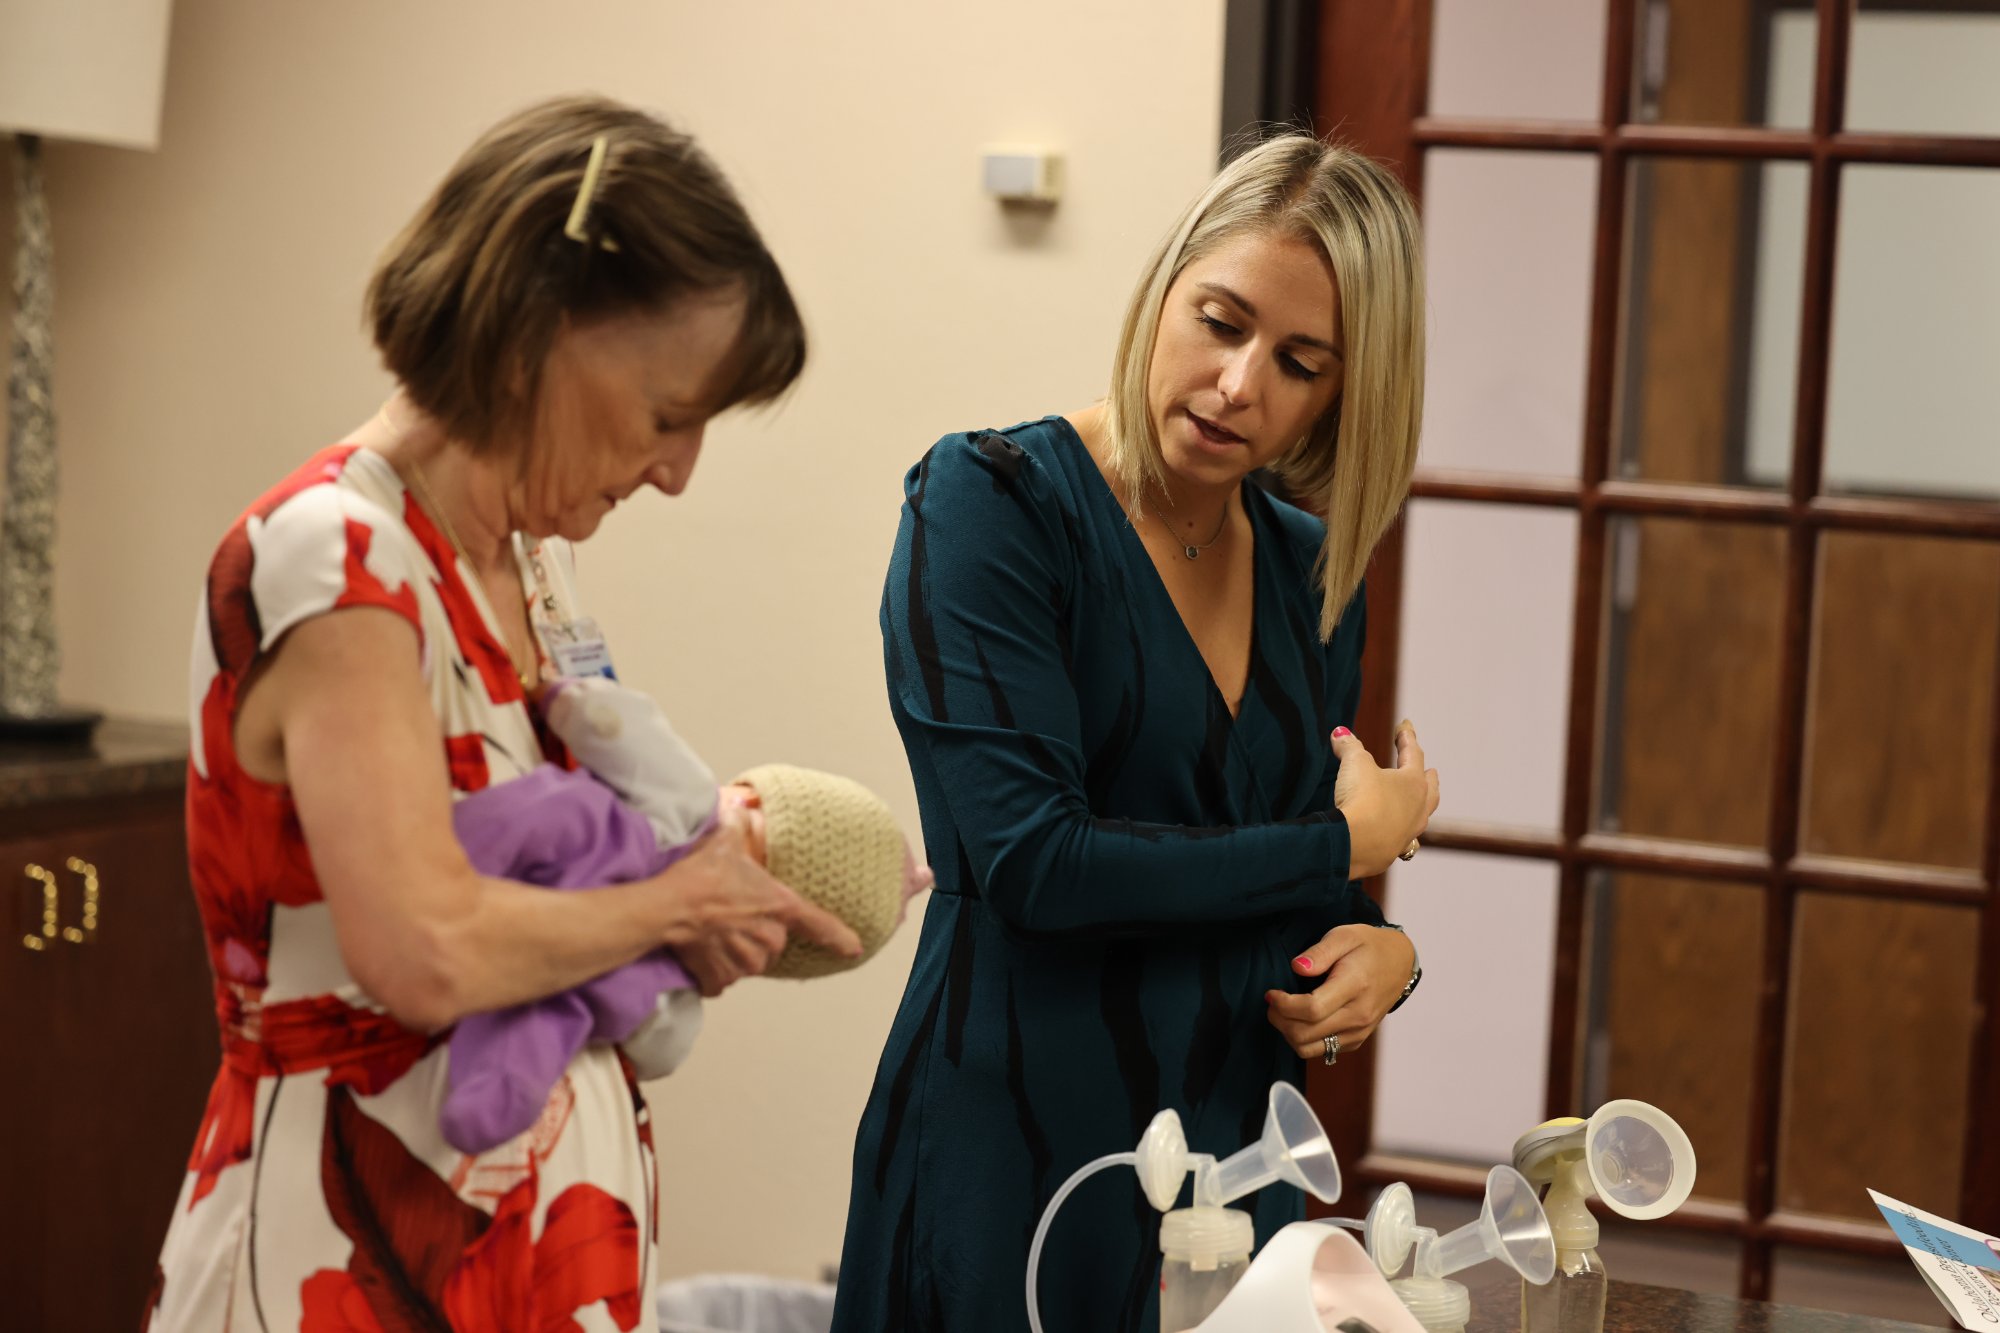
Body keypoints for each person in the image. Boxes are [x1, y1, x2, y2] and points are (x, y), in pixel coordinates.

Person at [147, 95, 861, 1332]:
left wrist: (668, 922)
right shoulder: (332, 558)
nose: (677, 470)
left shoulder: (527, 566)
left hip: (523, 1254)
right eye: (667, 412)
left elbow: (549, 893)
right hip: (351, 1256)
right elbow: (421, 949)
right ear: (540, 328)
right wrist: (678, 902)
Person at [832, 134, 1439, 1333]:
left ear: (1340, 392)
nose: (1236, 385)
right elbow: (1033, 864)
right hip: (1009, 1156)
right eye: (1219, 320)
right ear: (1162, 286)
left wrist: (1376, 953)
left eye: (1298, 363)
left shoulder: (1311, 570)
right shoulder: (988, 504)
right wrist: (1336, 846)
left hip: (1232, 1174)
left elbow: (1275, 881)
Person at [438, 674, 935, 1154]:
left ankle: (453, 858)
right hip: (556, 964)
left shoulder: (688, 795)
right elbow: (659, 1051)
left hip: (539, 862)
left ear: (751, 795)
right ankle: (489, 1101)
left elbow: (614, 725)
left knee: (538, 818)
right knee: (550, 1020)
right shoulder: (664, 981)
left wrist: (562, 697)